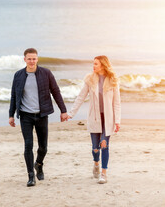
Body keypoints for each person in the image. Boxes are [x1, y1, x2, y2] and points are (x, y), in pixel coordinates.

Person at [9, 48, 68, 187]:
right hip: (25, 116)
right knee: (28, 145)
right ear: (24, 59)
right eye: (29, 58)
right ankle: (31, 176)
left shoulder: (46, 73)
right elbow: (13, 96)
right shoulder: (18, 75)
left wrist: (63, 110)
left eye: (34, 58)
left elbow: (55, 91)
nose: (31, 61)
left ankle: (39, 164)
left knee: (43, 147)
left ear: (37, 59)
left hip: (42, 115)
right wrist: (11, 115)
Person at [68, 55, 121, 184]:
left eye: (96, 64)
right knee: (95, 147)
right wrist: (71, 114)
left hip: (108, 118)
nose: (93, 66)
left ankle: (104, 174)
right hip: (95, 117)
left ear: (103, 65)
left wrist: (117, 120)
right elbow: (81, 97)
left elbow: (117, 102)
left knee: (104, 144)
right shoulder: (90, 79)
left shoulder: (113, 80)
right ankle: (96, 163)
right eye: (93, 63)